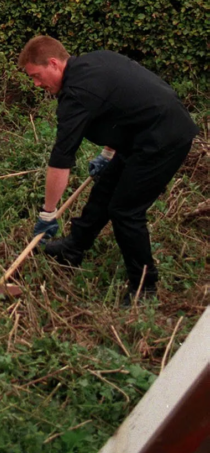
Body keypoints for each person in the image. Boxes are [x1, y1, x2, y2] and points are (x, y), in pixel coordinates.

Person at [19, 35, 198, 303]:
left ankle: (144, 286)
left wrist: (48, 213)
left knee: (125, 210)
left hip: (163, 139)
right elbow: (120, 107)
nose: (36, 83)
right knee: (104, 189)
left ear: (54, 64)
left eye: (36, 75)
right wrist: (107, 152)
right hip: (143, 132)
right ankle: (74, 248)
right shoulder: (94, 61)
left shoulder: (76, 95)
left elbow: (61, 158)